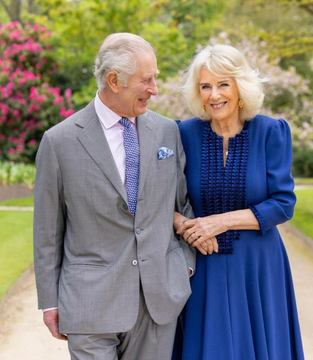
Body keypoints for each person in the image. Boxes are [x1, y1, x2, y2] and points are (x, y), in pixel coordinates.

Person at [33, 32, 197, 360]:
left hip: (157, 300)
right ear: (114, 80)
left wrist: (184, 266)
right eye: (146, 80)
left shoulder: (167, 132)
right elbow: (48, 232)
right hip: (89, 304)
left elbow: (182, 203)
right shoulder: (59, 142)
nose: (154, 89)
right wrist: (49, 300)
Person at [172, 44, 305, 360]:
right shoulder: (182, 134)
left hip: (259, 266)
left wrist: (221, 221)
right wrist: (183, 225)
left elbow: (283, 203)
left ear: (240, 88)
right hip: (203, 264)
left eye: (223, 84)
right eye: (205, 86)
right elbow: (160, 197)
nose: (214, 94)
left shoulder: (271, 131)